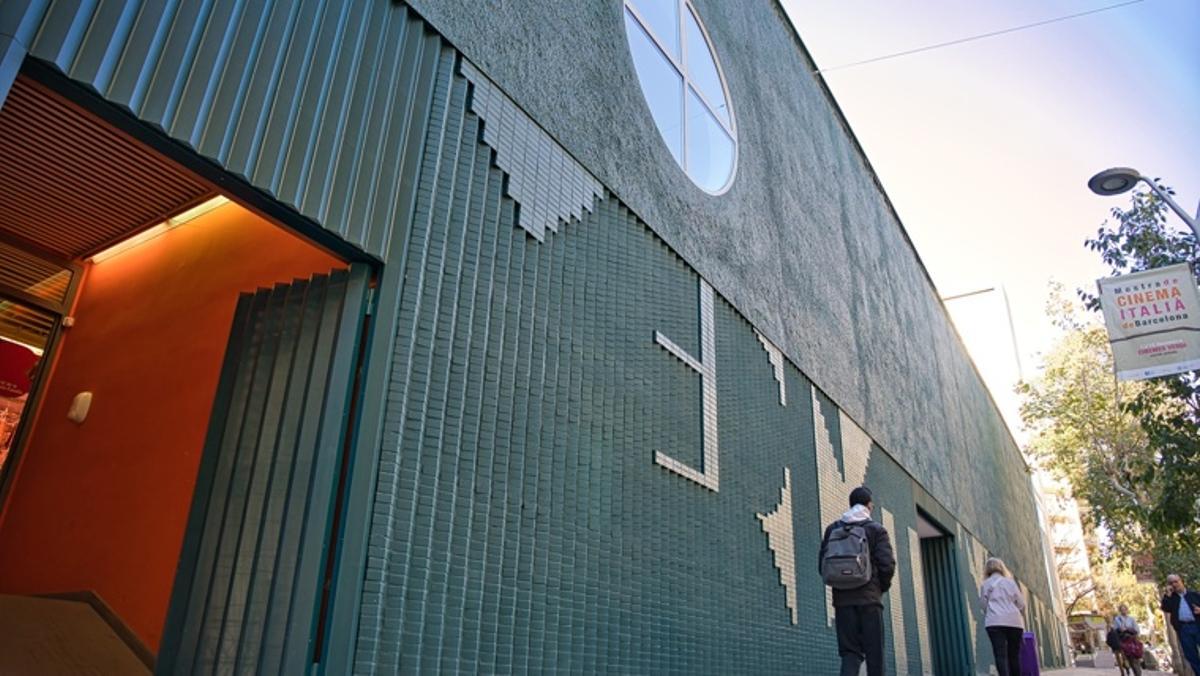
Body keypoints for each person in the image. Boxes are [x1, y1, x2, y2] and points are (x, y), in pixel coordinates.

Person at [819, 486, 896, 676]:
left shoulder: (833, 529)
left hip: (843, 602)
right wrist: (880, 589)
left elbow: (822, 565)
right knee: (875, 656)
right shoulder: (876, 530)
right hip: (870, 602)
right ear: (869, 505)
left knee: (850, 654)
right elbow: (887, 565)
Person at [979, 557, 1026, 676]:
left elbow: (983, 605)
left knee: (1000, 655)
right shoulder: (1011, 583)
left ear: (987, 569)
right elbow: (1021, 604)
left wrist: (993, 609)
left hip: (994, 622)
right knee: (1014, 655)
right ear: (1002, 568)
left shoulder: (985, 584)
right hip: (1014, 622)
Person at [1161, 573, 1200, 676]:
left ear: (1181, 581)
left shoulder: (1194, 594)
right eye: (1171, 583)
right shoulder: (1171, 598)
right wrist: (1167, 595)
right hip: (1183, 629)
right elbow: (1165, 608)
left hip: (1197, 626)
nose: (1174, 584)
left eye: (1176, 581)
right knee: (1191, 656)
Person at [1112, 605, 1142, 676]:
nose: (1124, 611)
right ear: (1120, 611)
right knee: (1128, 658)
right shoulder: (1117, 619)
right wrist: (1121, 629)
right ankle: (1128, 670)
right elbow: (1116, 629)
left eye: (1125, 609)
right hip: (1123, 640)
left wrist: (1129, 629)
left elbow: (1137, 630)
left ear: (1127, 610)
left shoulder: (1131, 619)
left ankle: (1137, 673)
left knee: (1135, 659)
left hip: (1132, 640)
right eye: (1122, 610)